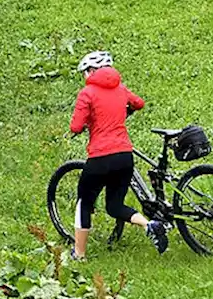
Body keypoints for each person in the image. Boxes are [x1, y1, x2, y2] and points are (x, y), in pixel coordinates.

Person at [68, 51, 169, 260]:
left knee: (84, 203)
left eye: (86, 71)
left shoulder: (87, 92)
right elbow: (139, 103)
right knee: (114, 206)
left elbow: (76, 126)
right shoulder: (120, 88)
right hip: (124, 156)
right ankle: (149, 224)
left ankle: (79, 254)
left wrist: (82, 127)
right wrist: (124, 111)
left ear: (92, 71)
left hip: (100, 158)